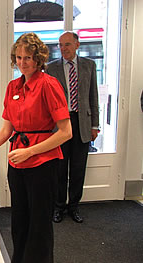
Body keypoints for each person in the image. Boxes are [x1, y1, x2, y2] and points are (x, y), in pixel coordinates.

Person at [0, 32, 72, 263]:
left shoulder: (49, 85)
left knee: (39, 225)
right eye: (19, 57)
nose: (22, 63)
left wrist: (30, 151)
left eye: (28, 58)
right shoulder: (13, 86)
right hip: (17, 163)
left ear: (38, 59)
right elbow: (6, 131)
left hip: (43, 163)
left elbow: (66, 132)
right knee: (20, 221)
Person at [46, 31, 100, 224]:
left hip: (82, 123)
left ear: (77, 45)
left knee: (78, 169)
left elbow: (93, 96)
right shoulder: (51, 68)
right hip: (60, 124)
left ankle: (74, 207)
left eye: (67, 44)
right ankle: (58, 206)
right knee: (60, 169)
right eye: (60, 45)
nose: (63, 49)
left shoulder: (89, 66)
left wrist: (95, 125)